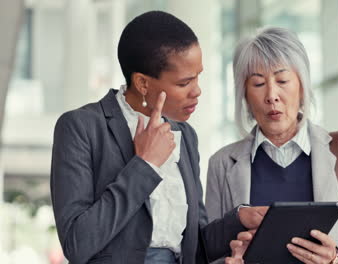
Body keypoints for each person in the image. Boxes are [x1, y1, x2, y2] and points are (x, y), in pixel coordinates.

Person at [50, 11, 264, 264]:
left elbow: (196, 246)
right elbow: (77, 243)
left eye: (198, 76)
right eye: (184, 83)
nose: (197, 91)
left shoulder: (185, 135)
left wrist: (239, 219)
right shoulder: (81, 128)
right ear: (142, 83)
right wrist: (145, 165)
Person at [205, 27, 338, 264]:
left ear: (302, 86)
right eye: (258, 84)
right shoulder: (222, 163)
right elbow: (207, 253)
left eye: (282, 80)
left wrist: (336, 258)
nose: (271, 95)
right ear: (244, 96)